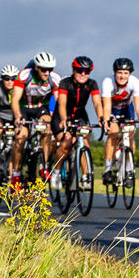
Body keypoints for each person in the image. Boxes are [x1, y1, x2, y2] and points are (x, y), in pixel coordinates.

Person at [50, 56, 103, 187]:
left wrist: (101, 118)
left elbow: (97, 103)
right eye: (80, 70)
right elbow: (62, 103)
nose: (83, 74)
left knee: (85, 141)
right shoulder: (65, 83)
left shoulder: (92, 84)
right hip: (61, 115)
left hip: (80, 115)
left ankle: (85, 176)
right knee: (66, 142)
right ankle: (56, 172)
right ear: (74, 70)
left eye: (87, 71)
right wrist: (64, 119)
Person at [9, 54, 60, 182]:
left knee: (47, 128)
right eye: (44, 69)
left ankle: (44, 164)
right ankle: (16, 173)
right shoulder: (24, 75)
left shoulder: (54, 79)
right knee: (21, 136)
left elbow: (60, 101)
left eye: (50, 69)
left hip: (40, 107)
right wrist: (18, 116)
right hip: (23, 107)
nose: (47, 73)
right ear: (36, 67)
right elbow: (14, 99)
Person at [101, 58, 139, 187]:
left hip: (127, 108)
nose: (122, 76)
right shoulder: (108, 82)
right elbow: (107, 106)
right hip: (112, 109)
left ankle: (129, 169)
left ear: (130, 74)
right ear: (115, 73)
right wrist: (106, 121)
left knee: (131, 133)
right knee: (113, 132)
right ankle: (108, 169)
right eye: (120, 72)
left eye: (126, 73)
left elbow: (138, 106)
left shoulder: (135, 82)